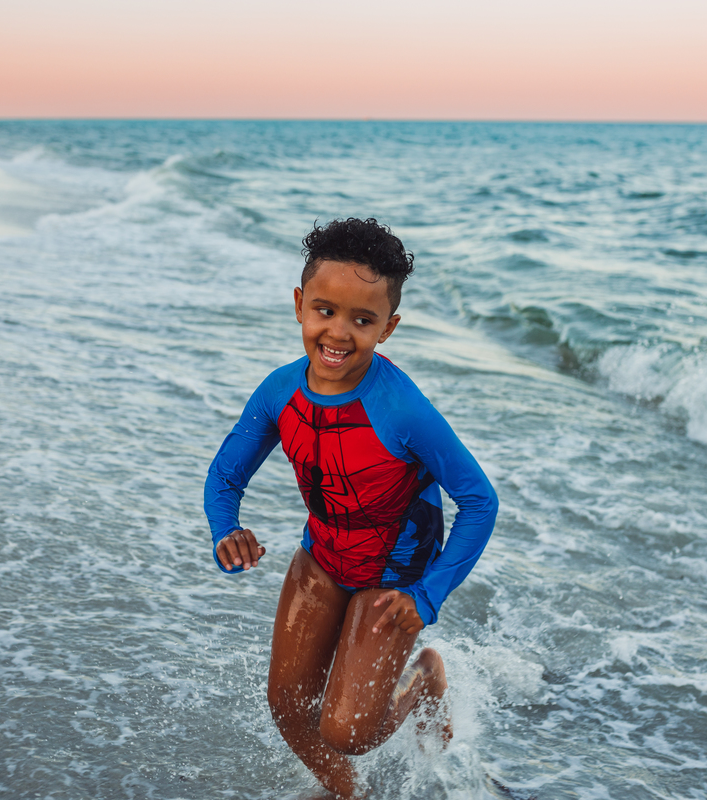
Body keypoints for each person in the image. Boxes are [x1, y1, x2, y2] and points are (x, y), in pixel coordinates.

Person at [204, 218, 498, 798]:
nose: (338, 333)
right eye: (325, 311)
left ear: (387, 328)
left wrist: (427, 595)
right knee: (289, 707)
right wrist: (225, 529)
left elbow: (479, 501)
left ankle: (422, 679)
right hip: (323, 554)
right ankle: (349, 793)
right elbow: (225, 475)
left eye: (362, 320)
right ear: (299, 305)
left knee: (349, 732)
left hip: (393, 573)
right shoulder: (280, 391)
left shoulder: (403, 411)